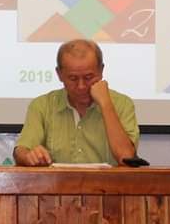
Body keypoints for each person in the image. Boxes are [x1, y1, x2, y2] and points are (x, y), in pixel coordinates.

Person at [13, 39, 139, 167]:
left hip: (108, 186)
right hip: (56, 185)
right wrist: (28, 157)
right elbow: (21, 151)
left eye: (88, 77)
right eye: (73, 78)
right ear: (59, 74)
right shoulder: (42, 105)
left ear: (101, 71)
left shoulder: (122, 104)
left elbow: (126, 157)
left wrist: (106, 104)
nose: (81, 86)